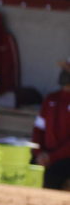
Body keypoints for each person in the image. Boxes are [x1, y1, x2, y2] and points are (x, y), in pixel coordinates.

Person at [32, 59, 70, 190]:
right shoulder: (51, 98)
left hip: (63, 158)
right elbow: (38, 130)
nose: (64, 74)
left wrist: (52, 157)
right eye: (64, 70)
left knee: (54, 174)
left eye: (68, 71)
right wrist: (39, 153)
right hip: (45, 156)